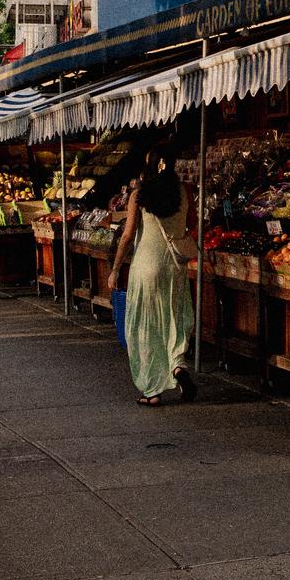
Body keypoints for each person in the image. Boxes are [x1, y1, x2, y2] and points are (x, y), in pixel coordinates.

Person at [108, 149, 197, 406]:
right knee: (175, 318)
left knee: (146, 325)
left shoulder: (138, 195)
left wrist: (115, 269)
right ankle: (178, 366)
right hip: (175, 266)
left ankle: (151, 390)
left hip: (146, 265)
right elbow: (192, 223)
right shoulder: (183, 191)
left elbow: (127, 235)